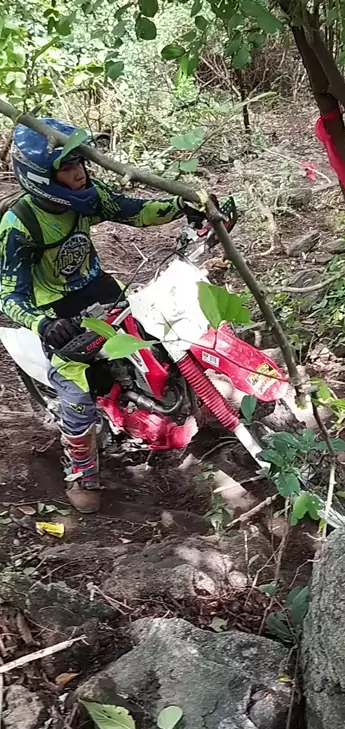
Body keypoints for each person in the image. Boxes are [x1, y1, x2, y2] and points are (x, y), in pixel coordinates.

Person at [0, 118, 206, 514]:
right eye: (67, 167)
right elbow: (9, 293)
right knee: (76, 391)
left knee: (164, 338)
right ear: (41, 176)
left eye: (80, 162)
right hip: (58, 313)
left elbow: (134, 210)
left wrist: (183, 207)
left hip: (101, 288)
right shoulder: (19, 225)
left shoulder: (88, 197)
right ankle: (82, 472)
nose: (79, 173)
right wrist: (43, 324)